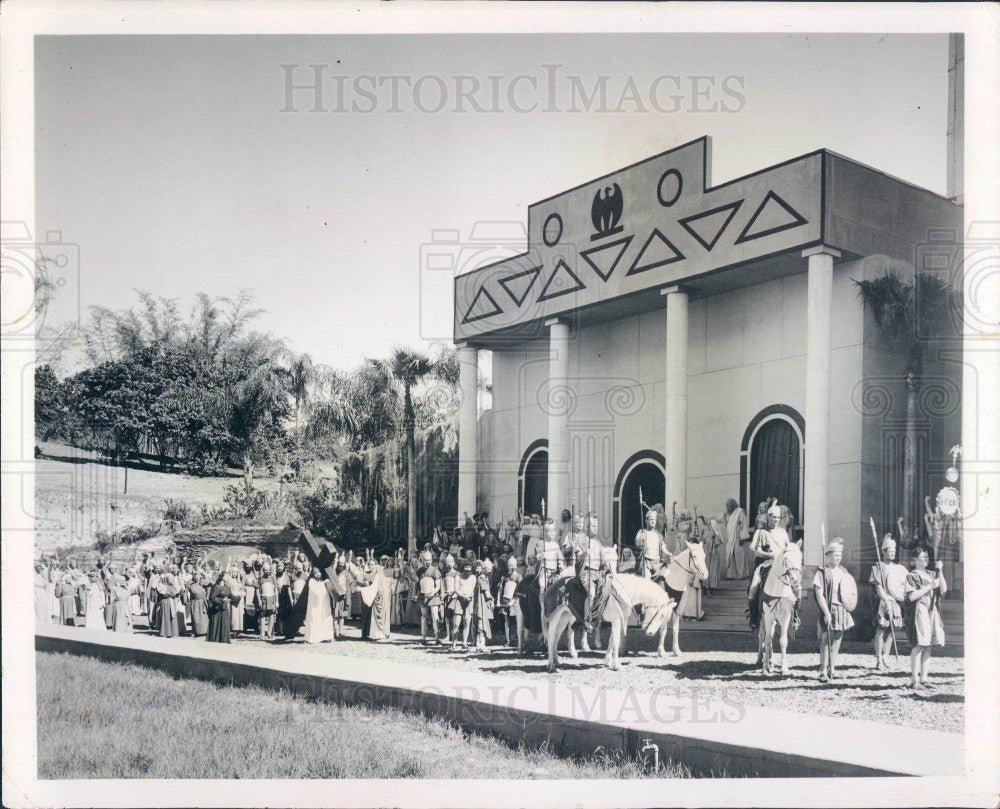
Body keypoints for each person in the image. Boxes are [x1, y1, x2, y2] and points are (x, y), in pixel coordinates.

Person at [903, 546, 947, 689]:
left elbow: (944, 589)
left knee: (928, 645)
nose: (926, 560)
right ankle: (914, 680)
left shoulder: (931, 573)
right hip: (920, 610)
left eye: (927, 557)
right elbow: (911, 596)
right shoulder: (912, 576)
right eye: (922, 558)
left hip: (932, 610)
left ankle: (924, 678)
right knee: (920, 644)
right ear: (915, 560)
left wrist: (940, 571)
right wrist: (929, 587)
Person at [813, 538, 856, 681]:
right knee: (826, 639)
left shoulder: (843, 570)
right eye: (836, 555)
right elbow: (819, 594)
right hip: (829, 608)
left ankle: (832, 669)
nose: (839, 558)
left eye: (840, 556)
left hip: (841, 608)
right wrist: (826, 612)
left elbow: (849, 589)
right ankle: (823, 671)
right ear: (828, 555)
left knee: (837, 639)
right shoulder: (821, 571)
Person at [870, 534, 907, 670]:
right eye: (889, 551)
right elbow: (878, 586)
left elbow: (904, 585)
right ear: (884, 551)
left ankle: (886, 656)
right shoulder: (877, 567)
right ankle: (879, 658)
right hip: (882, 601)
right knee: (881, 629)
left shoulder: (899, 568)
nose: (892, 554)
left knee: (892, 630)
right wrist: (885, 600)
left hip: (895, 602)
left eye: (894, 552)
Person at [302, 567, 335, 644]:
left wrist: (326, 583)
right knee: (314, 618)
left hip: (323, 604)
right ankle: (313, 638)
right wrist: (323, 583)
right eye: (315, 573)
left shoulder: (323, 581)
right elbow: (316, 591)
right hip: (315, 604)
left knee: (325, 618)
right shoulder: (311, 581)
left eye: (319, 572)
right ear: (313, 574)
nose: (317, 574)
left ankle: (326, 636)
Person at [416, 550, 443, 644]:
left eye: (429, 560)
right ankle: (423, 637)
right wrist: (416, 594)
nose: (427, 562)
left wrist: (432, 593)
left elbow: (438, 586)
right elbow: (418, 584)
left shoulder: (435, 570)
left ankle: (436, 638)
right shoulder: (419, 571)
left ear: (431, 560)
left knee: (435, 616)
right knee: (423, 617)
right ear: (422, 560)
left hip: (433, 597)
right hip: (423, 596)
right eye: (425, 560)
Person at [722, 498, 752, 580]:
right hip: (731, 538)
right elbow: (724, 523)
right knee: (730, 556)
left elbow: (744, 524)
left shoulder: (739, 512)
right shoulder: (728, 514)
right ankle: (731, 575)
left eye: (728, 505)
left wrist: (743, 537)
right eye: (726, 505)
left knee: (739, 555)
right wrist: (724, 515)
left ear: (733, 505)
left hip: (738, 537)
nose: (727, 507)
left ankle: (742, 574)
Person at [635, 506, 668, 579]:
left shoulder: (658, 534)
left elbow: (663, 547)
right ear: (646, 520)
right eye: (651, 519)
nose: (653, 521)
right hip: (646, 562)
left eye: (654, 520)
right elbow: (638, 544)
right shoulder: (642, 532)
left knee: (663, 579)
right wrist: (641, 539)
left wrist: (669, 553)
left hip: (657, 562)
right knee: (647, 579)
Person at [452, 559, 477, 649]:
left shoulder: (473, 577)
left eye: (469, 567)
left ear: (472, 568)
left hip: (469, 601)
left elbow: (473, 589)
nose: (467, 569)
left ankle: (464, 643)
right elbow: (456, 590)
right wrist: (463, 596)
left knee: (467, 622)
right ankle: (453, 644)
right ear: (463, 567)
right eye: (466, 567)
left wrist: (469, 596)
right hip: (459, 600)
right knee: (456, 623)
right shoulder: (458, 576)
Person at [472, 559, 495, 652]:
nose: (489, 571)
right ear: (484, 568)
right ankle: (481, 644)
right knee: (481, 623)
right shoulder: (482, 578)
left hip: (479, 603)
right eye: (488, 569)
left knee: (480, 623)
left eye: (490, 569)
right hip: (482, 604)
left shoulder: (480, 577)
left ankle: (479, 643)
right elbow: (487, 593)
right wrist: (492, 600)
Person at [206, 572, 234, 644]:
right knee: (217, 623)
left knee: (224, 623)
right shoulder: (217, 586)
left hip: (224, 608)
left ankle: (224, 639)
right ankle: (216, 639)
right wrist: (222, 600)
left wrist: (237, 596)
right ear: (222, 577)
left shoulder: (227, 587)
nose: (228, 577)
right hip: (217, 609)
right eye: (226, 576)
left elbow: (231, 596)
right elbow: (212, 598)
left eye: (228, 576)